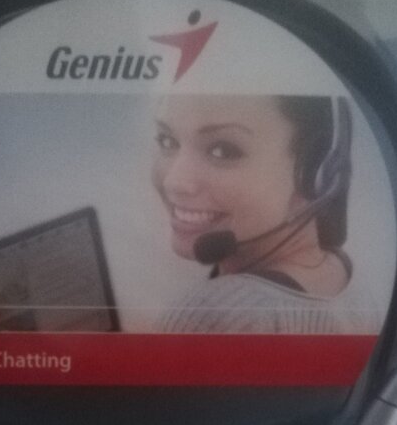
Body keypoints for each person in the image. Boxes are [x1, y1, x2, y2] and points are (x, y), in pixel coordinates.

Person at [151, 94, 358, 334]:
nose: (173, 182)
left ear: (313, 176)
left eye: (222, 151)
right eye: (167, 141)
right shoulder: (347, 276)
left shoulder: (211, 312)